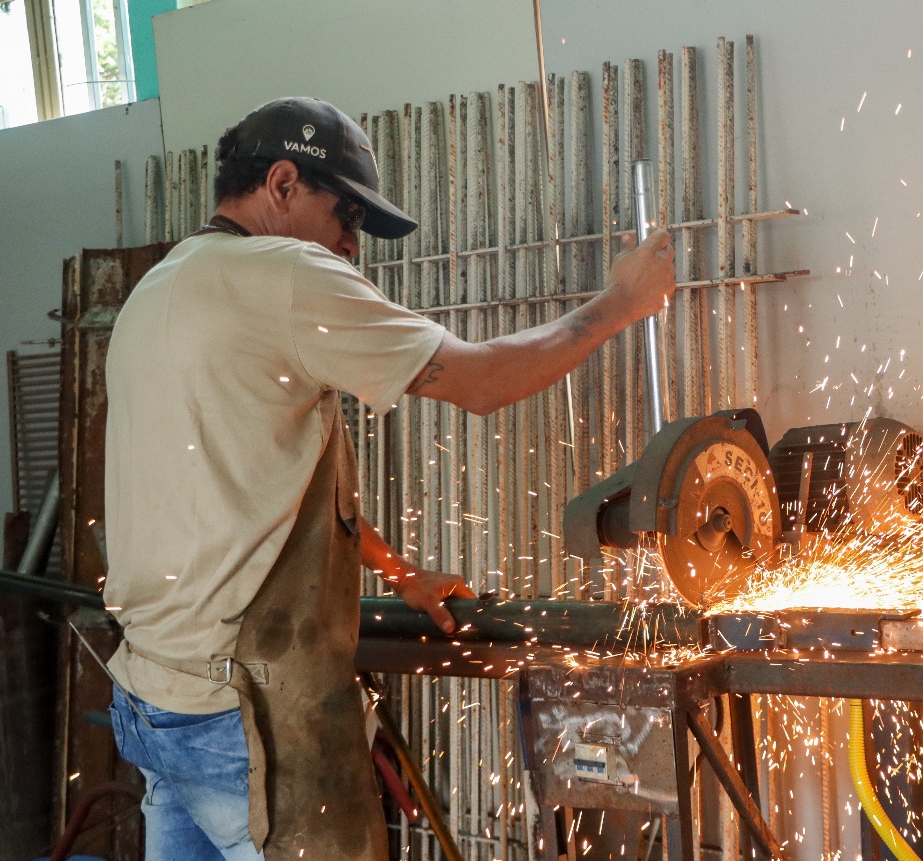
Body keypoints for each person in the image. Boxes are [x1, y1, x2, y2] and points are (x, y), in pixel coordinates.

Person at [101, 96, 676, 861]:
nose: (350, 247)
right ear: (281, 183)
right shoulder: (283, 274)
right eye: (345, 217)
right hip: (247, 720)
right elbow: (480, 382)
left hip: (154, 698)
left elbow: (251, 481)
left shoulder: (160, 289)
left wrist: (398, 572)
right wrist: (618, 306)